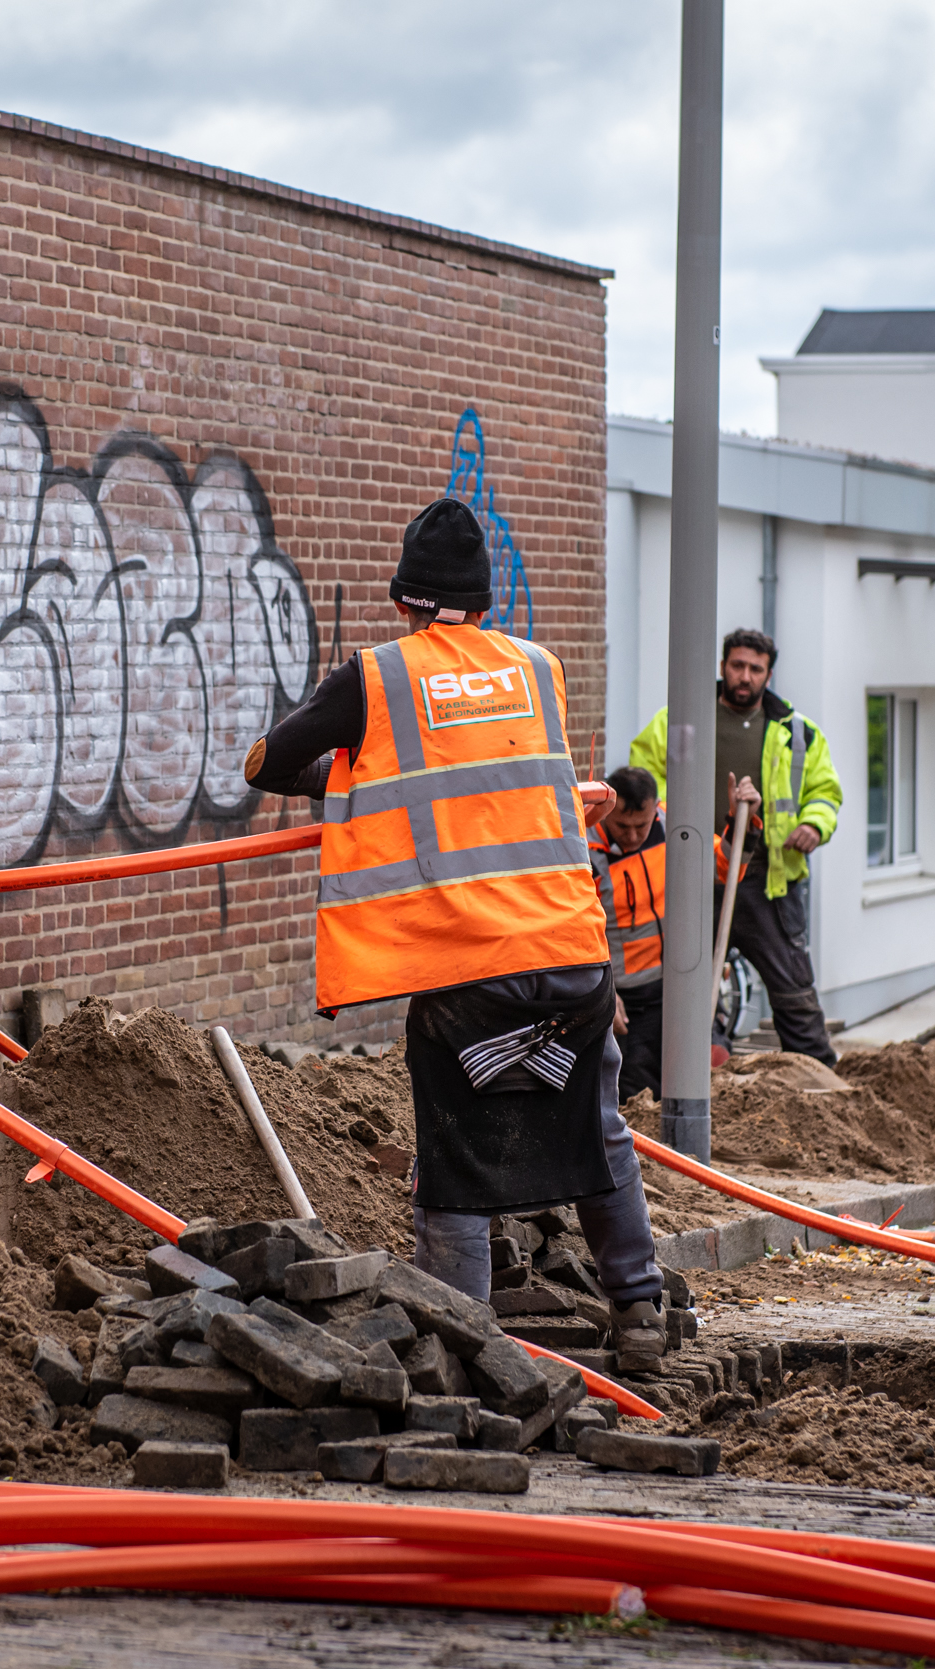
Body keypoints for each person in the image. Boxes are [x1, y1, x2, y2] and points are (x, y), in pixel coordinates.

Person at [244, 497, 669, 1371]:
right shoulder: (539, 669)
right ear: (484, 601)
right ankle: (640, 1314)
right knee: (598, 1131)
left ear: (405, 600)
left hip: (472, 976)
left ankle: (471, 1350)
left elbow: (268, 762)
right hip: (575, 961)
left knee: (457, 1157)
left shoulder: (378, 678)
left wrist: (347, 775)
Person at [630, 627, 844, 1065]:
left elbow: (825, 790)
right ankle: (701, 1072)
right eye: (737, 666)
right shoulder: (682, 720)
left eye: (755, 669)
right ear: (724, 666)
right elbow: (646, 777)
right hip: (698, 879)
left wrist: (814, 824)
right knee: (688, 985)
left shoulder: (795, 732)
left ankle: (819, 1076)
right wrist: (676, 823)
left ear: (768, 674)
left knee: (793, 991)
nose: (744, 676)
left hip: (768, 882)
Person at [589, 763, 756, 1098]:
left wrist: (744, 823)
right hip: (629, 997)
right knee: (637, 1091)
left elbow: (726, 866)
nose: (634, 835)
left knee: (708, 1071)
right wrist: (601, 988)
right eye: (623, 825)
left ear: (655, 808)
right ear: (606, 809)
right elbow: (577, 930)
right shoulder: (586, 852)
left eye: (642, 825)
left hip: (681, 983)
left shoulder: (674, 827)